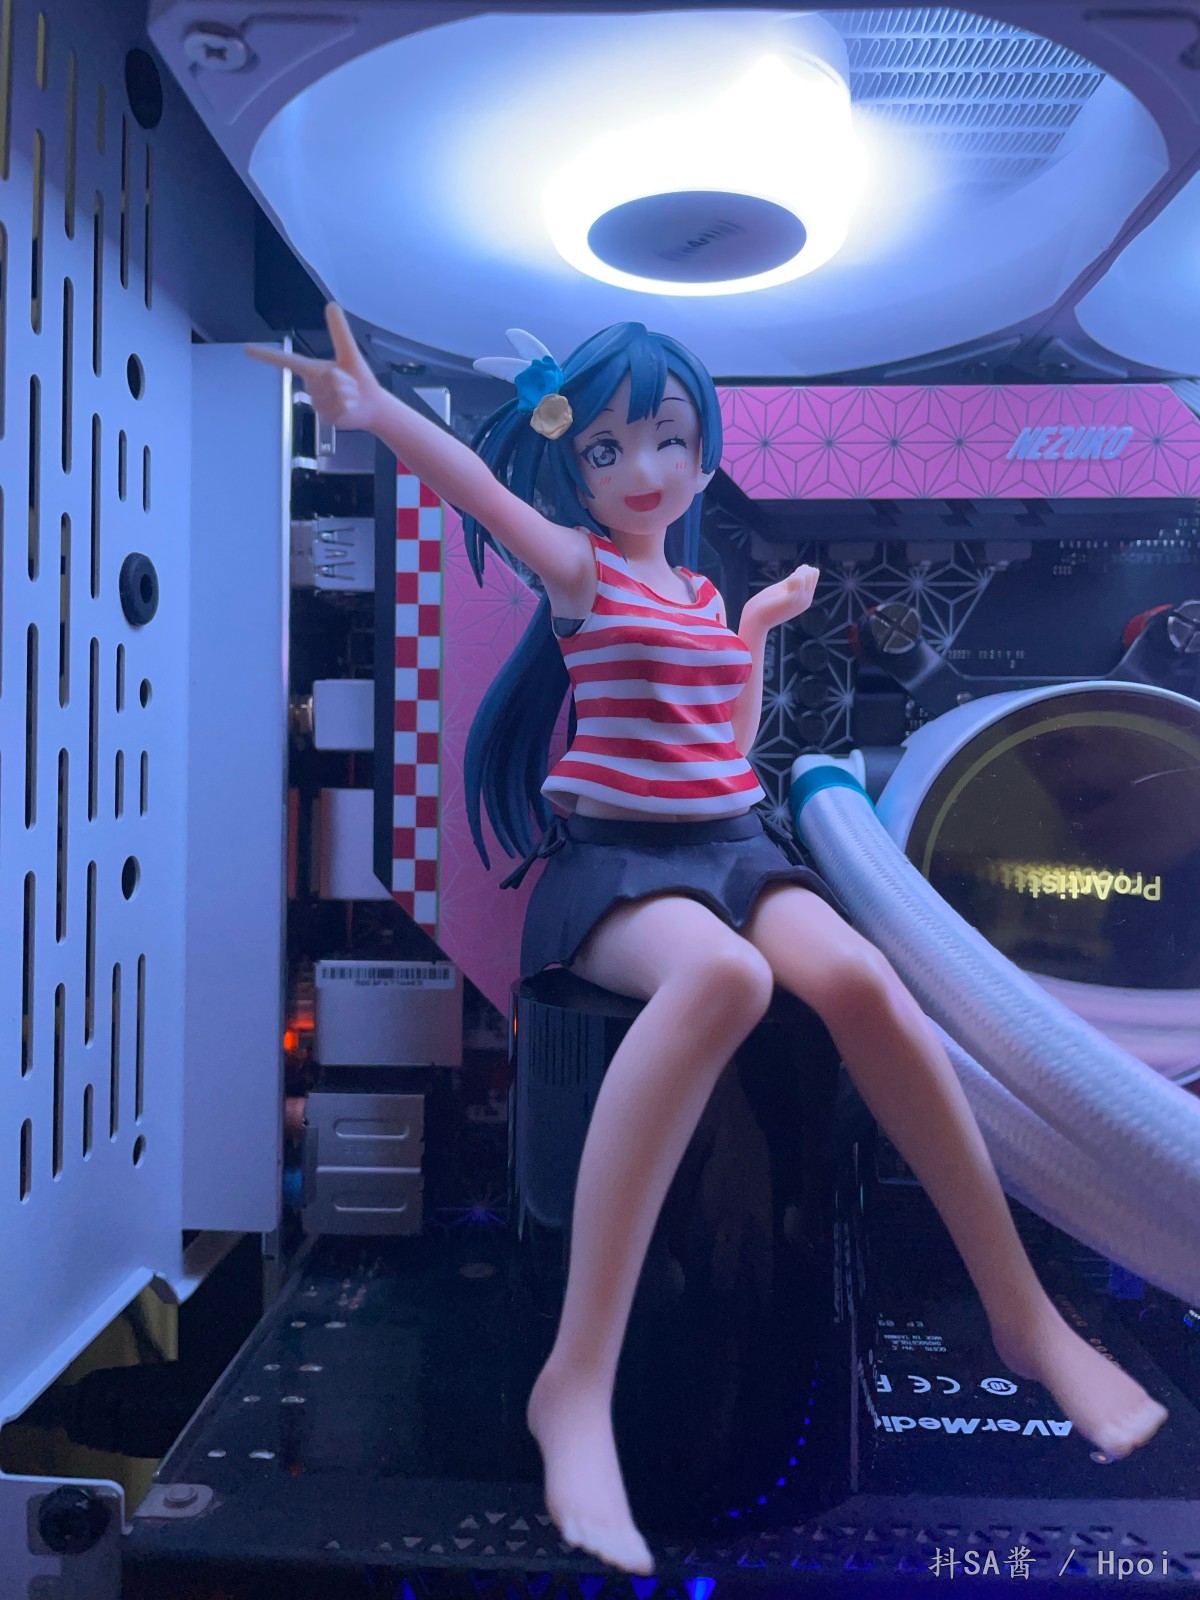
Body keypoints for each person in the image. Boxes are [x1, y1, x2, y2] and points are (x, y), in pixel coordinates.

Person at [250, 307, 1168, 1577]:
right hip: (616, 863)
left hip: (733, 840)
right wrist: (377, 413)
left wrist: (755, 632)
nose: (643, 469)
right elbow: (476, 490)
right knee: (723, 980)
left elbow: (726, 744)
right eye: (608, 448)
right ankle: (577, 1378)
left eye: (667, 440)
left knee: (864, 981)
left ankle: (1026, 1320)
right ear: (577, 469)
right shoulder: (582, 572)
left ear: (703, 450)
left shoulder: (695, 590)